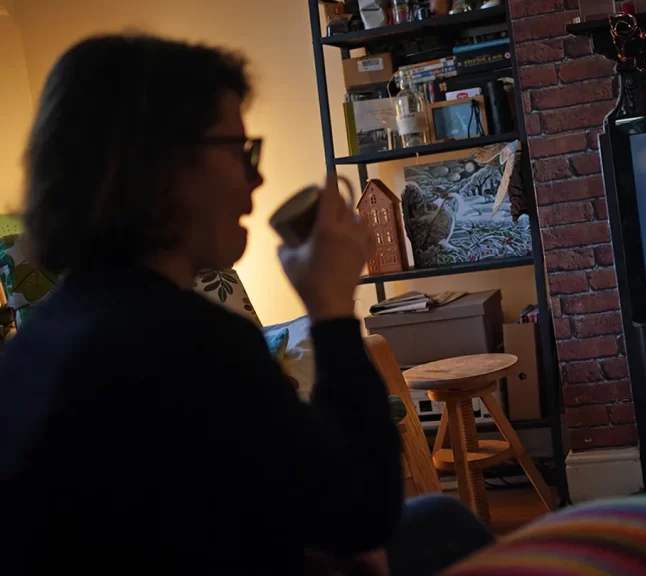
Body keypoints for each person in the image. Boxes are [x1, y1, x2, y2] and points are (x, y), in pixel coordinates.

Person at [0, 34, 491, 575]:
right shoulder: (194, 346)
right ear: (161, 167)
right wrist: (329, 307)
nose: (255, 179)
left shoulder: (30, 352)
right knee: (445, 526)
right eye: (239, 152)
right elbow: (362, 514)